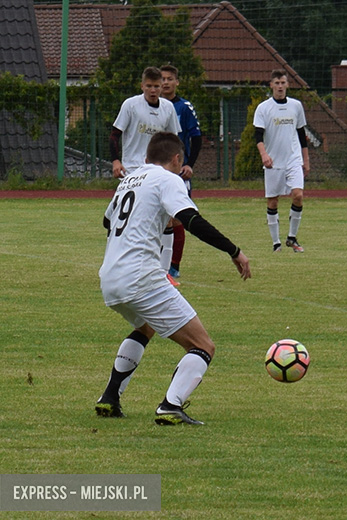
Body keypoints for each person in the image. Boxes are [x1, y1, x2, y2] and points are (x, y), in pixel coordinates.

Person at [95, 132, 251, 425]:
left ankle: (110, 397)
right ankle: (171, 405)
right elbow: (192, 221)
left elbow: (108, 221)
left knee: (146, 328)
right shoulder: (170, 179)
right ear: (178, 160)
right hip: (140, 276)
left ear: (146, 158)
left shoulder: (129, 180)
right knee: (203, 345)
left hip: (110, 278)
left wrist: (159, 218)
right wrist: (234, 251)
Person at [110, 66, 182, 286]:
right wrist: (115, 160)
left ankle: (164, 273)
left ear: (163, 87)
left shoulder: (168, 108)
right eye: (149, 86)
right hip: (132, 170)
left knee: (167, 218)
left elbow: (172, 140)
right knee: (126, 219)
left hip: (158, 171)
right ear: (142, 86)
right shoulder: (130, 105)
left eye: (157, 86)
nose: (153, 90)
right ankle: (119, 264)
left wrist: (177, 165)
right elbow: (115, 134)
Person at [253, 69, 310, 253]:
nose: (280, 86)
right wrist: (264, 155)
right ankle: (276, 242)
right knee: (273, 202)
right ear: (271, 85)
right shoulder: (263, 108)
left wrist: (305, 160)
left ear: (287, 85)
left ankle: (292, 238)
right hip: (273, 162)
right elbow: (258, 135)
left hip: (293, 159)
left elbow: (301, 134)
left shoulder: (296, 106)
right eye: (276, 83)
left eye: (283, 83)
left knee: (298, 196)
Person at [160, 65, 203, 280]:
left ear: (177, 82)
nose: (166, 82)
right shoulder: (149, 106)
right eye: (162, 79)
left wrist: (189, 164)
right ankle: (157, 264)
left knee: (176, 218)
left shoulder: (184, 107)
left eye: (170, 79)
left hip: (177, 171)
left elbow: (196, 138)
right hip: (155, 171)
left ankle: (173, 267)